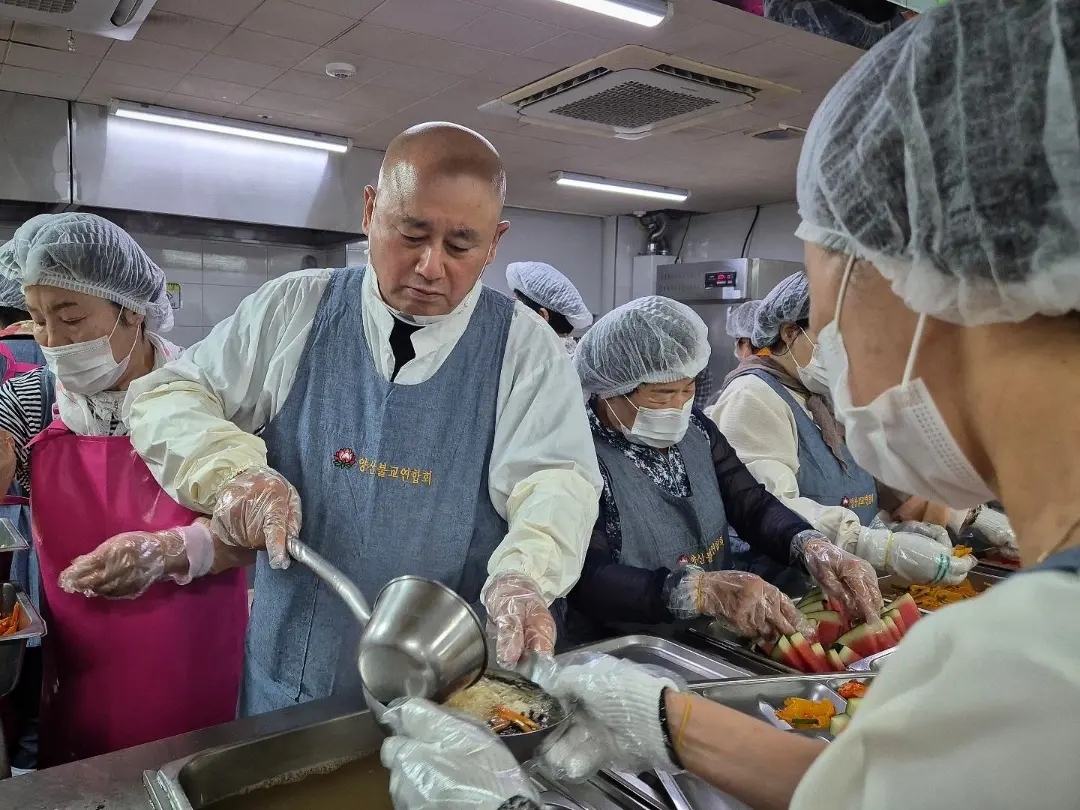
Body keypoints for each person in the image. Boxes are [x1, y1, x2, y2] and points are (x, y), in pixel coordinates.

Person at [379, 2, 1080, 808]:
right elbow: (862, 793)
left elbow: (749, 498)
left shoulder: (1031, 675)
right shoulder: (1037, 671)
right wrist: (671, 721)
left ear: (922, 278)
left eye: (827, 301)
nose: (831, 346)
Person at [124, 123, 603, 716]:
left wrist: (525, 578)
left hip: (449, 690)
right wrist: (231, 475)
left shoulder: (525, 351)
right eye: (412, 233)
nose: (430, 267)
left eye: (461, 247)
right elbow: (169, 395)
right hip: (291, 678)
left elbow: (556, 480)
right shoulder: (293, 309)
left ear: (495, 243)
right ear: (371, 210)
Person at [0, 213, 248, 767]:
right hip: (80, 679)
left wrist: (170, 552)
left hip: (193, 679)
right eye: (37, 319)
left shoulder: (209, 402)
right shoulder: (34, 401)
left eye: (70, 317)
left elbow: (252, 528)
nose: (52, 341)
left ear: (131, 310)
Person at [557, 295, 882, 646]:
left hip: (705, 640)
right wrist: (697, 591)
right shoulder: (577, 455)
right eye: (661, 395)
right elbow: (586, 575)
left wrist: (808, 544)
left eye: (688, 388)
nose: (678, 406)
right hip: (619, 651)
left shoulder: (696, 429)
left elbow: (751, 504)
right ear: (609, 390)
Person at [710, 271, 976, 588]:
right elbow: (772, 506)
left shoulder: (825, 397)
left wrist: (889, 528)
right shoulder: (753, 397)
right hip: (783, 586)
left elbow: (870, 478)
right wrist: (878, 546)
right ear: (791, 331)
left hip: (841, 584)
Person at [505, 260, 592, 355]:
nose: (511, 316)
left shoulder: (539, 361)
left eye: (517, 310)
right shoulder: (568, 354)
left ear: (541, 316)